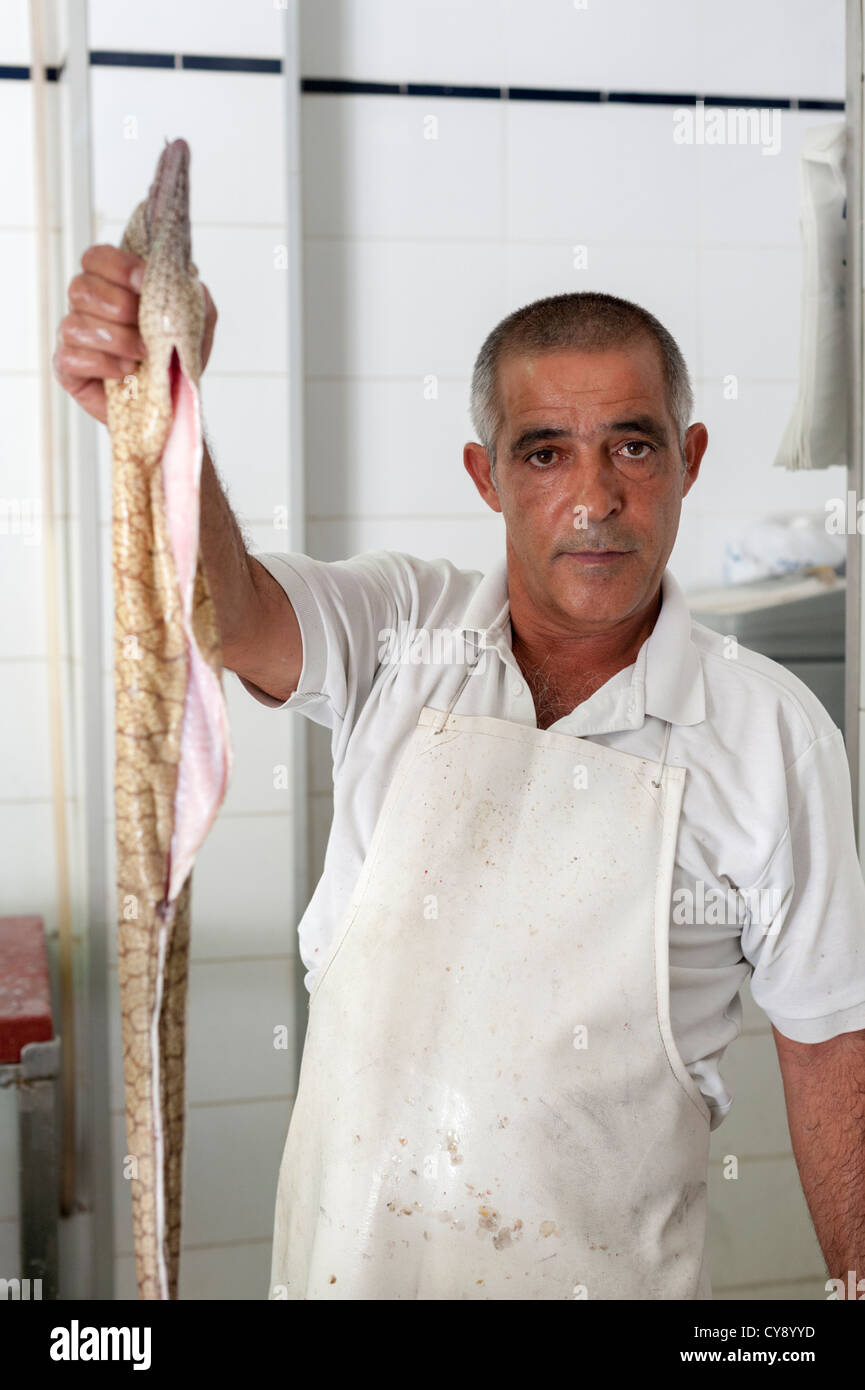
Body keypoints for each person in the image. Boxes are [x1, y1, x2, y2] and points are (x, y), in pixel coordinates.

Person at [55, 249, 865, 1301]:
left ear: (687, 459)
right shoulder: (400, 629)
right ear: (485, 475)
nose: (593, 499)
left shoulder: (768, 733)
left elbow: (833, 1045)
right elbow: (232, 613)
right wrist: (162, 412)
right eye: (543, 454)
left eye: (632, 444)